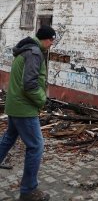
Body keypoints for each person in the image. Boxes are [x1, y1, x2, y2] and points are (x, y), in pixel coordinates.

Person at [0, 25, 56, 201]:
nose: (52, 44)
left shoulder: (25, 50)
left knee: (9, 138)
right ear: (46, 39)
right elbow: (30, 84)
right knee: (36, 146)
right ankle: (28, 190)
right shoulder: (34, 53)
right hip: (24, 108)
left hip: (15, 105)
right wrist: (42, 99)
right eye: (52, 40)